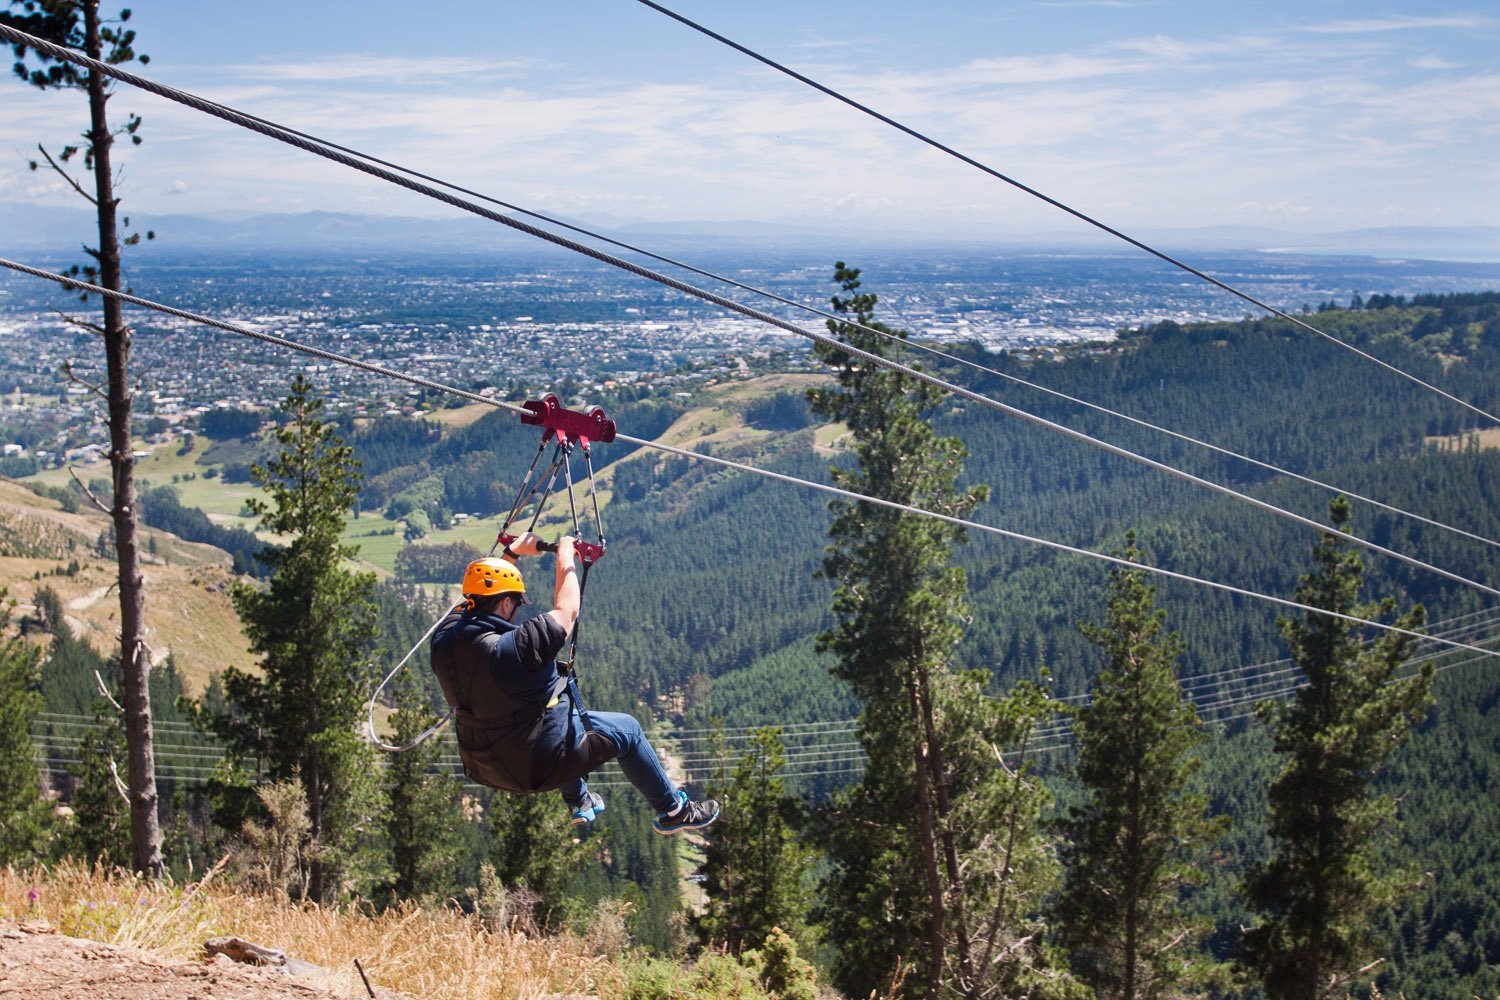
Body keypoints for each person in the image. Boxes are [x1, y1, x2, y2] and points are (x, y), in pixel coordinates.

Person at [430, 530, 719, 835]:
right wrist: (565, 555)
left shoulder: (443, 642)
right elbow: (567, 610)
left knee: (550, 708)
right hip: (536, 765)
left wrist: (512, 554)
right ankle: (675, 811)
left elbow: (476, 601)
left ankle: (580, 800)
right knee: (628, 730)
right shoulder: (517, 649)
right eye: (516, 603)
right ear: (504, 604)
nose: (516, 611)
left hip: (484, 765)